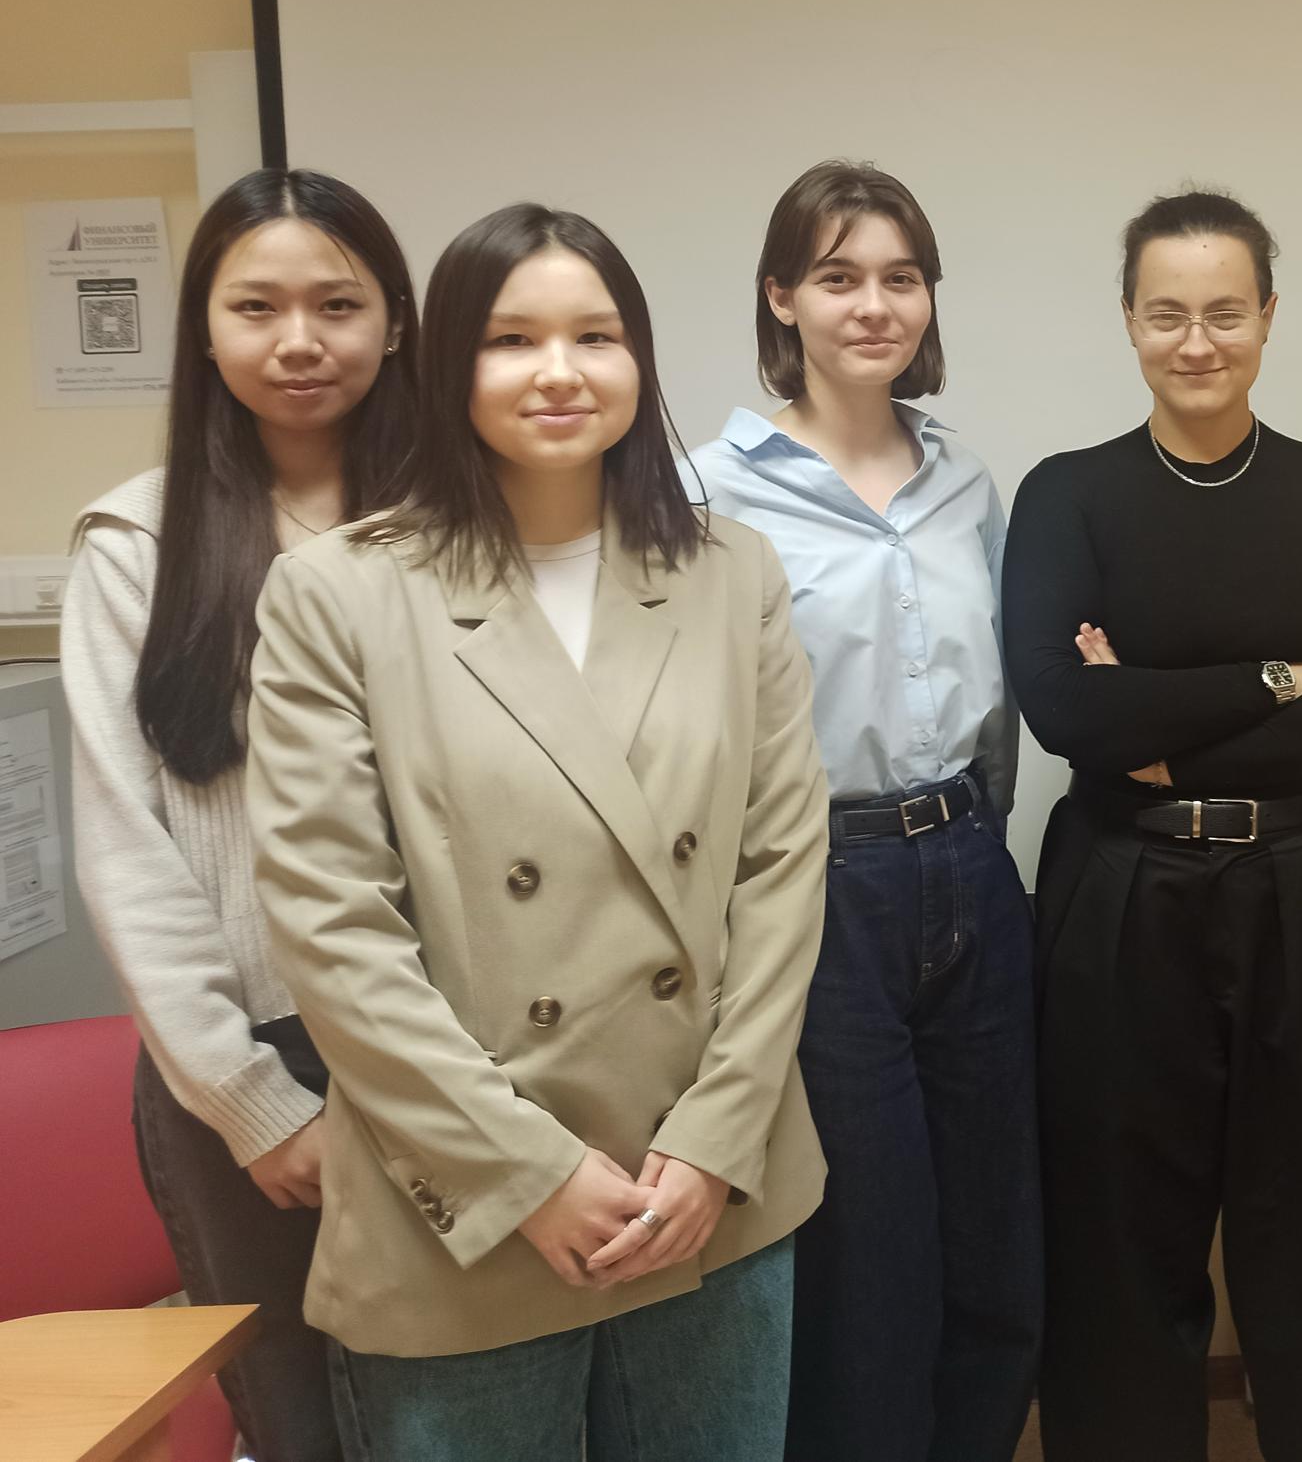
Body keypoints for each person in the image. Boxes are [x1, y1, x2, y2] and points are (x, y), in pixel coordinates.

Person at [245, 204, 828, 1460]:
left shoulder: (733, 571)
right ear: (446, 362)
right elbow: (333, 927)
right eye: (511, 339)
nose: (559, 371)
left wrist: (714, 1139)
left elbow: (781, 868)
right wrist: (527, 1173)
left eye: (595, 335)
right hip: (463, 1200)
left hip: (704, 1184)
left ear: (639, 359)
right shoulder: (340, 591)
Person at [1002, 188, 1302, 1462]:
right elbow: (1064, 711)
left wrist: (1156, 718)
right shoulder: (1067, 493)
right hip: (1119, 886)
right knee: (1117, 1230)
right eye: (1167, 313)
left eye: (1225, 312)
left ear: (1269, 316)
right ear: (1128, 320)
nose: (1197, 341)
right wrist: (1278, 677)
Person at [61, 169, 418, 1462]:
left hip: (447, 1046)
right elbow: (127, 850)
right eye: (257, 306)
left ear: (395, 322)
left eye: (339, 303)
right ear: (205, 330)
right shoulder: (135, 543)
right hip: (251, 1062)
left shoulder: (454, 524)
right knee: (302, 1420)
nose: (300, 339)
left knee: (465, 1411)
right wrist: (253, 1099)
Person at [693, 160, 1037, 1462]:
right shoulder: (711, 490)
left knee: (999, 1238)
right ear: (781, 295)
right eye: (838, 276)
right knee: (874, 1251)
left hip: (970, 867)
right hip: (821, 888)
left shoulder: (965, 481)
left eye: (900, 276)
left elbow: (1000, 703)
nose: (873, 304)